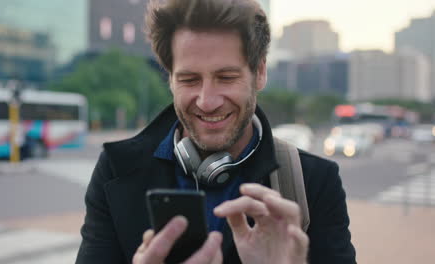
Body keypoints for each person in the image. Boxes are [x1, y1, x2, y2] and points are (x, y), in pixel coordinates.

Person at [75, 0, 356, 263]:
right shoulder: (116, 169)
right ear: (170, 79)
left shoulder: (314, 182)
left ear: (259, 72)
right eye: (189, 79)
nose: (207, 101)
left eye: (226, 77)